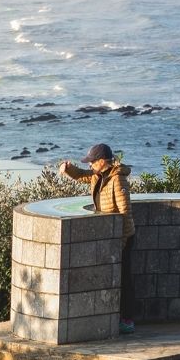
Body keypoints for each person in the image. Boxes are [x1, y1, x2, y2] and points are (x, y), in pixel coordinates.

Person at [59, 143, 136, 334]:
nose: (91, 165)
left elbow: (125, 212)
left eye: (93, 161)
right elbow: (82, 175)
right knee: (116, 276)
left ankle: (127, 320)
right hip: (111, 235)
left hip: (123, 236)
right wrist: (68, 169)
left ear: (102, 162)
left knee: (124, 278)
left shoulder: (117, 179)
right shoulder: (98, 176)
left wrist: (123, 240)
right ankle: (118, 316)